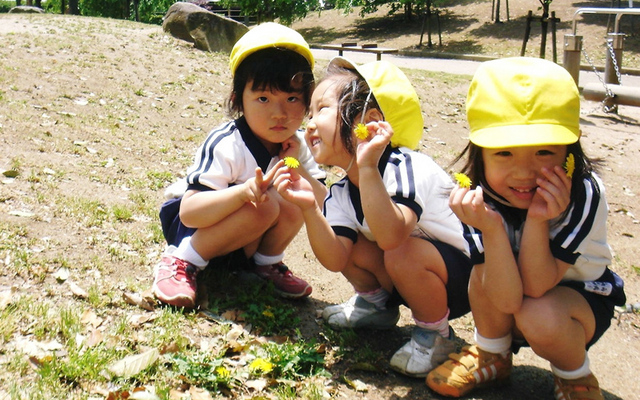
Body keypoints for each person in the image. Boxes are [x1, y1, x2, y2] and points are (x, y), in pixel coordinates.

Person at [426, 57, 627, 399]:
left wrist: (538, 218)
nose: (523, 173)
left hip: (577, 305)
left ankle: (574, 376)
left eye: (544, 152)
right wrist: (491, 230)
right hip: (511, 296)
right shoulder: (475, 196)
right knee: (482, 272)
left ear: (571, 148)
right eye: (504, 153)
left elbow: (535, 287)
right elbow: (504, 297)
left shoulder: (584, 192)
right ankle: (493, 353)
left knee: (538, 311)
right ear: (479, 152)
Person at [274, 57, 472, 377]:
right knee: (359, 245)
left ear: (368, 121)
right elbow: (337, 257)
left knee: (400, 250)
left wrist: (367, 167)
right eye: (309, 114)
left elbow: (393, 235)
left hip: (465, 279)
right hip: (415, 272)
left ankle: (437, 337)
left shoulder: (405, 166)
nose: (308, 124)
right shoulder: (340, 190)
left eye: (322, 109)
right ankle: (375, 306)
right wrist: (310, 209)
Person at [152, 22, 327, 308]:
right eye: (263, 98)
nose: (279, 114)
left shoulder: (298, 146)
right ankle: (180, 261)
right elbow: (189, 212)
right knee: (266, 203)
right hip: (194, 229)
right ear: (238, 100)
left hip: (244, 242)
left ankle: (265, 266)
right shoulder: (228, 143)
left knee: (295, 194)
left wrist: (299, 171)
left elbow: (323, 206)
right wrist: (243, 192)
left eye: (292, 98)